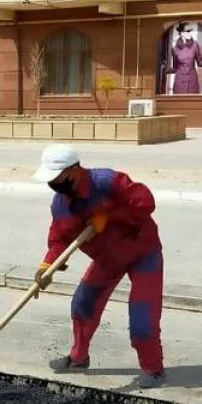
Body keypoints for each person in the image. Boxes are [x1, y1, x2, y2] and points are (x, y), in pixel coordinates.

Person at [32, 144, 164, 388]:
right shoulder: (61, 204)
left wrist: (109, 215)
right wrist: (47, 266)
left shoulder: (107, 181)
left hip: (142, 252)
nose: (53, 184)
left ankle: (153, 369)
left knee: (142, 316)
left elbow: (146, 202)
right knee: (83, 303)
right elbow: (59, 239)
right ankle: (78, 358)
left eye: (56, 177)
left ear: (74, 170)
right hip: (107, 259)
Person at [165, 22, 202, 95]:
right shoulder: (175, 49)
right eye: (188, 31)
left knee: (192, 102)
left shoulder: (195, 45)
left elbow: (200, 63)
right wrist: (165, 70)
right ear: (181, 33)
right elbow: (175, 68)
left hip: (192, 80)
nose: (190, 33)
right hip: (179, 81)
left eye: (190, 31)